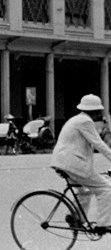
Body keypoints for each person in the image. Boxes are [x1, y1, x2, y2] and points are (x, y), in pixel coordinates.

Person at [51, 94, 111, 231]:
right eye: (98, 111)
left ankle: (74, 217)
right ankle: (103, 225)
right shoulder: (85, 121)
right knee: (106, 189)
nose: (99, 114)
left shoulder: (77, 119)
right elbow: (98, 144)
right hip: (73, 163)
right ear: (94, 111)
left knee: (85, 191)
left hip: (63, 162)